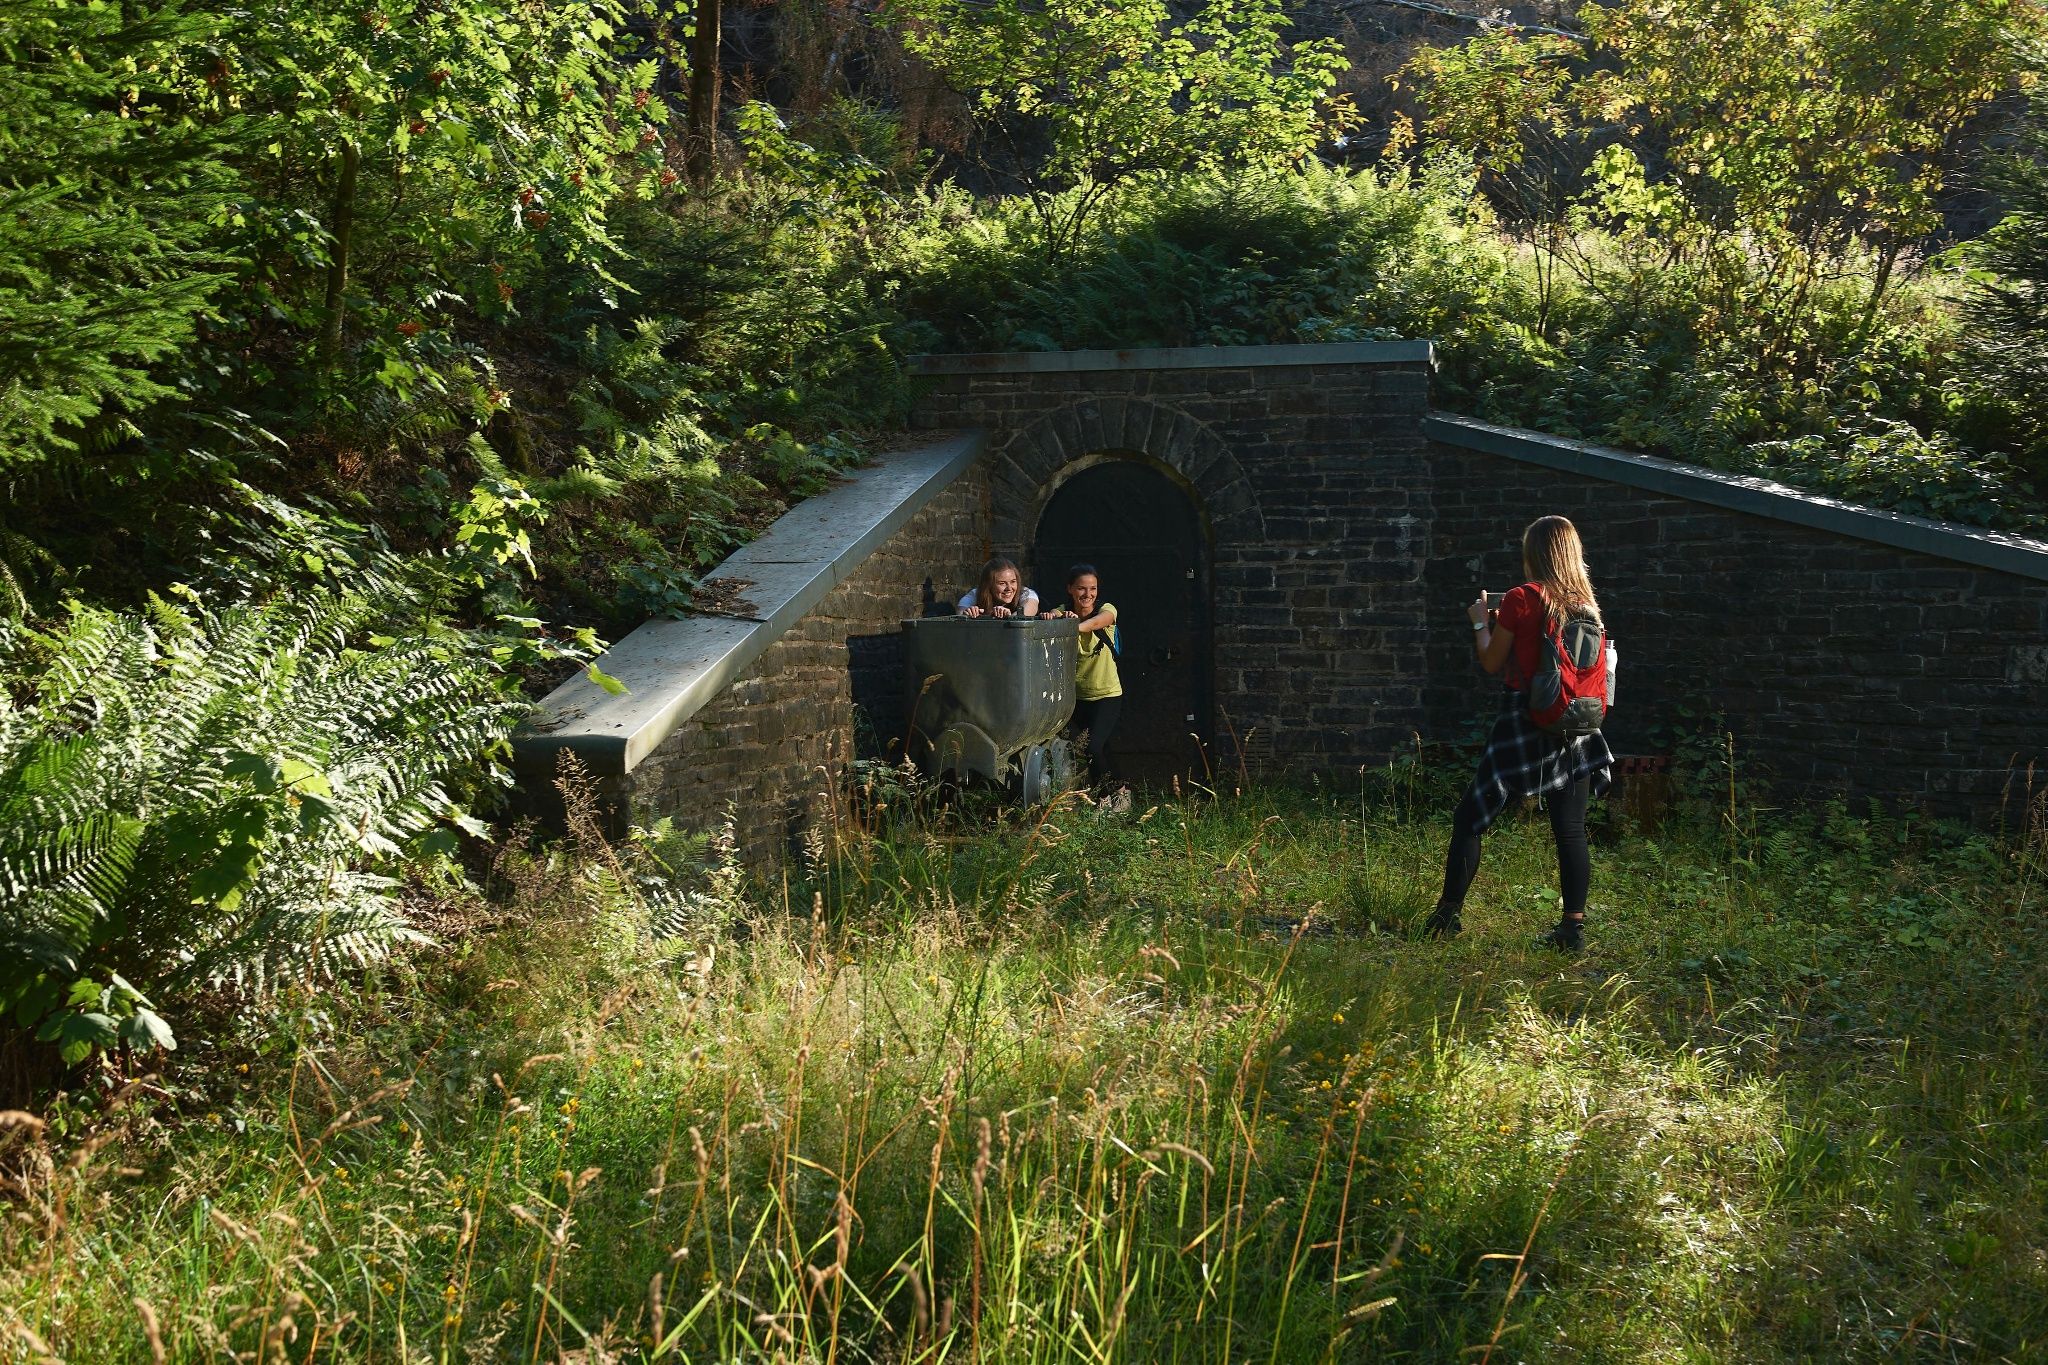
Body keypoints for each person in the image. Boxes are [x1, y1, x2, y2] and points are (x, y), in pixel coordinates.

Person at [1427, 515, 1613, 952]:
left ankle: (1446, 917)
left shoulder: (1520, 598)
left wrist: (1480, 622)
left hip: (1523, 720)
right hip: (1576, 724)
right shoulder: (1586, 605)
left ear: (1535, 554)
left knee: (1470, 817)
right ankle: (1571, 931)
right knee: (1570, 828)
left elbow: (1492, 662)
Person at [1045, 563, 1121, 787]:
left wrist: (1072, 625)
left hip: (1106, 693)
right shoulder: (1063, 611)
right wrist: (1054, 617)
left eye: (1093, 589)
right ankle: (1121, 790)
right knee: (1100, 747)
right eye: (1081, 589)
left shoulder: (1106, 609)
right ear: (1070, 589)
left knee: (1093, 747)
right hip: (1077, 697)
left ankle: (1105, 798)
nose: (1088, 594)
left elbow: (1097, 623)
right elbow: (1050, 616)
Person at [958, 557, 1039, 618]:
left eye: (1013, 581)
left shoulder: (1026, 593)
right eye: (1002, 583)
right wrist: (969, 613)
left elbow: (1027, 611)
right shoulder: (976, 594)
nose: (1009, 588)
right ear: (989, 585)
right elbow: (959, 614)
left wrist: (1008, 616)